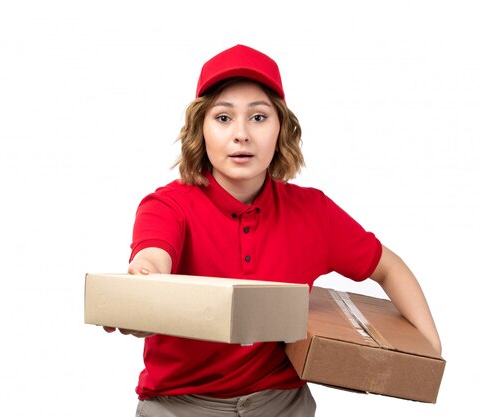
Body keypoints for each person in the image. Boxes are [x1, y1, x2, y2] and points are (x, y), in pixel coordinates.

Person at [105, 44, 442, 417]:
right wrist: (142, 290)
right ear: (200, 129)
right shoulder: (169, 205)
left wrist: (428, 351)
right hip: (180, 405)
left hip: (281, 403)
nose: (241, 134)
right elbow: (153, 257)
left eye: (259, 117)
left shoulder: (313, 212)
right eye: (223, 118)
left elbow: (388, 267)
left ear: (282, 128)